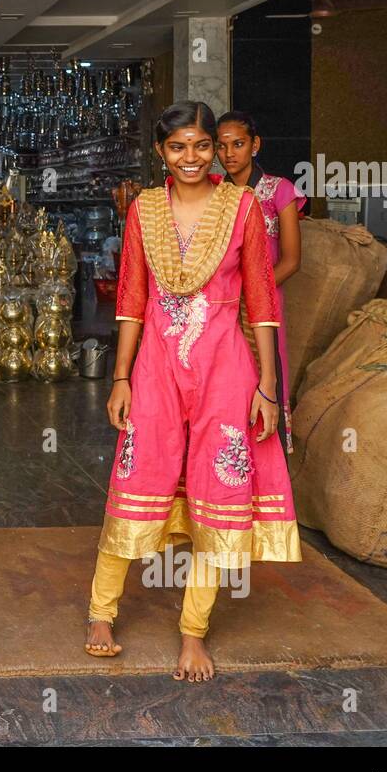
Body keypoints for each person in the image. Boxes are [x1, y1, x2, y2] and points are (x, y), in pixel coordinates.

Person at [84, 101, 301, 681]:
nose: (192, 157)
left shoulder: (243, 207)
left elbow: (262, 297)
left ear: (216, 150)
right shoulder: (144, 209)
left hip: (225, 366)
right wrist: (121, 376)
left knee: (217, 488)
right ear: (161, 151)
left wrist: (268, 386)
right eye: (178, 146)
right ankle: (101, 613)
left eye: (203, 146)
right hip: (155, 365)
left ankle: (193, 632)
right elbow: (131, 298)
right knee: (136, 475)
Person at [217, 110, 306, 428]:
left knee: (264, 376)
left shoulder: (279, 190)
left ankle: (268, 453)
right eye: (221, 145)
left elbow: (292, 260)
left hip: (263, 303)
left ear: (255, 145)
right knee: (223, 381)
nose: (229, 153)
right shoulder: (214, 195)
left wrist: (250, 293)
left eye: (238, 144)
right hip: (220, 305)